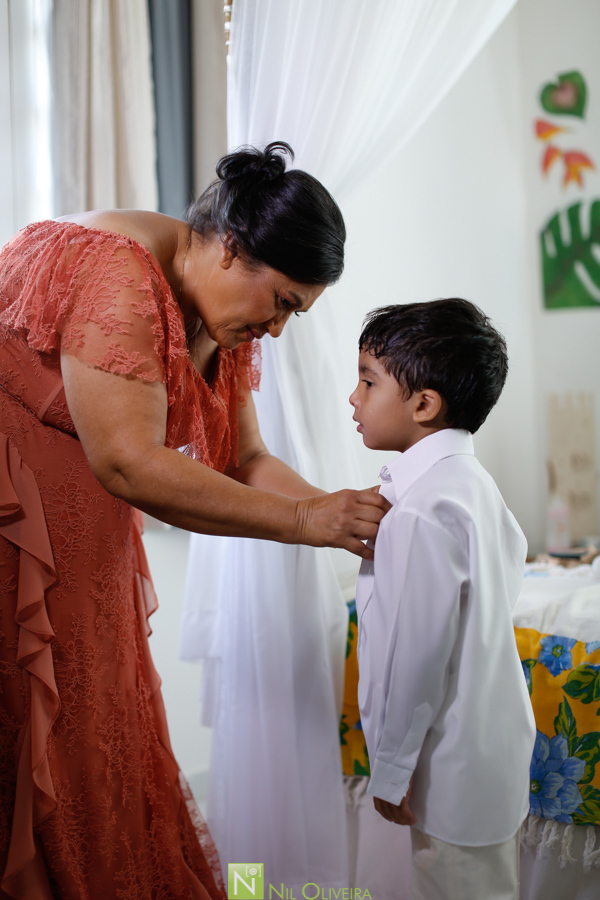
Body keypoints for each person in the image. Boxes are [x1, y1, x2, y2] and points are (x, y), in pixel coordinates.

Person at [0, 141, 388, 900]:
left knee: (99, 740)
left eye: (295, 313)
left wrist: (345, 514)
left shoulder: (218, 312)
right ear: (232, 249)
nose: (279, 329)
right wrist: (306, 520)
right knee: (41, 740)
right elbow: (130, 462)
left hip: (86, 534)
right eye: (281, 302)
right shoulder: (118, 274)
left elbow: (244, 459)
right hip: (18, 526)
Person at [349, 298, 536, 900]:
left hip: (448, 773)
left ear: (424, 404)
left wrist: (393, 768)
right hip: (488, 759)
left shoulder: (424, 508)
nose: (353, 398)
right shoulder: (472, 486)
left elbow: (415, 658)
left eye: (367, 381)